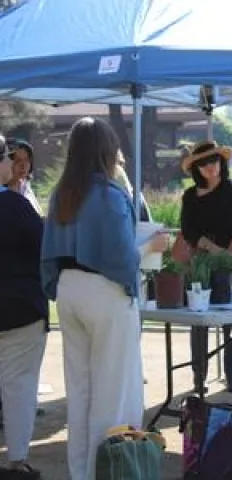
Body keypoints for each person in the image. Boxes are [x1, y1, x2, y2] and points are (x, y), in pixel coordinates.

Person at [41, 117, 169, 480]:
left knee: (79, 391)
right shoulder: (111, 195)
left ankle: (80, 473)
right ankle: (112, 472)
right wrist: (151, 246)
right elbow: (122, 257)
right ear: (106, 149)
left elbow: (48, 252)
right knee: (114, 391)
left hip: (67, 291)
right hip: (105, 293)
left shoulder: (61, 193)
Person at [181, 140, 232, 393]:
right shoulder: (190, 196)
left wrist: (227, 256)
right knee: (199, 322)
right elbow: (188, 230)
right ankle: (199, 376)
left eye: (214, 161)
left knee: (230, 320)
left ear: (222, 162)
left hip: (231, 263)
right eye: (204, 164)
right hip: (200, 266)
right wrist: (212, 249)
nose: (210, 167)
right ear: (196, 169)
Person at [0, 134, 47, 479]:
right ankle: (16, 460)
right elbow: (45, 248)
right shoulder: (16, 206)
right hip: (19, 308)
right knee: (19, 386)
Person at [6, 139, 43, 215]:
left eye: (26, 160)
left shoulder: (25, 187)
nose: (23, 165)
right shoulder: (3, 192)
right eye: (18, 161)